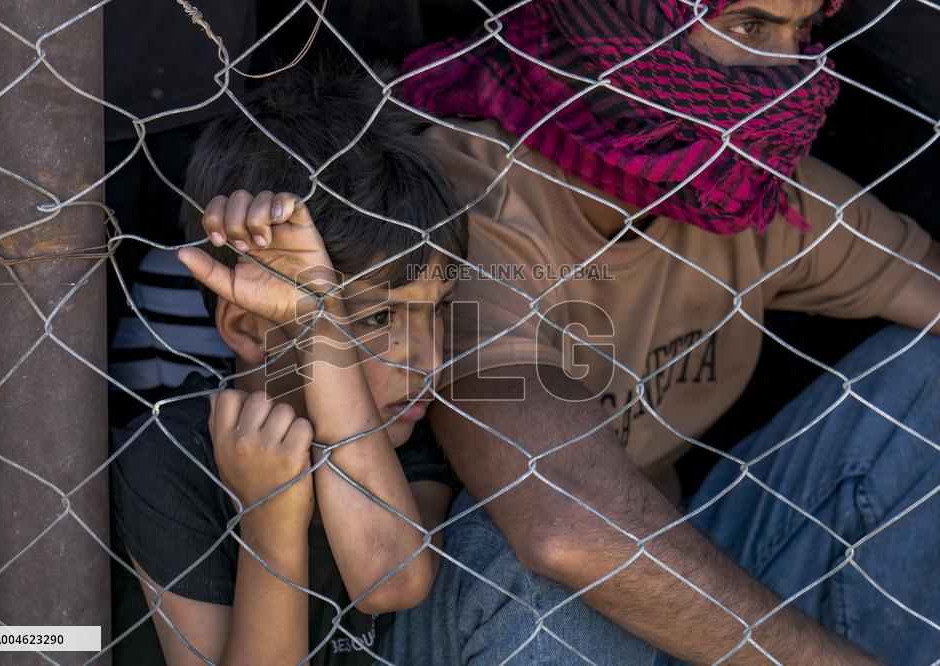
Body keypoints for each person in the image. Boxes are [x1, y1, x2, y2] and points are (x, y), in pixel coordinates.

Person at [386, 0, 940, 663]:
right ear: (625, 21)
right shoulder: (472, 189)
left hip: (686, 572)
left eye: (802, 31)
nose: (790, 72)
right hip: (497, 618)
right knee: (554, 560)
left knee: (927, 381)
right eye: (750, 26)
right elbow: (564, 521)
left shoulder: (744, 191)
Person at [109, 62, 470, 664]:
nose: (430, 359)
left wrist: (318, 318)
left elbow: (390, 582)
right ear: (250, 327)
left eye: (438, 310)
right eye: (378, 317)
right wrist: (270, 519)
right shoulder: (173, 455)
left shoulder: (405, 431)